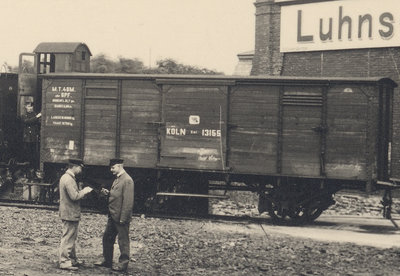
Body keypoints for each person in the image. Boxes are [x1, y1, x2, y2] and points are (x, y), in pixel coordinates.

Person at [95, 158, 134, 272]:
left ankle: (123, 265)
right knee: (107, 238)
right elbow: (118, 195)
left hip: (120, 217)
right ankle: (107, 261)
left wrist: (123, 218)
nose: (111, 170)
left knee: (123, 241)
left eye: (113, 167)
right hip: (113, 216)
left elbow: (128, 202)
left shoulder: (127, 180)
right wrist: (109, 193)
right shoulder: (118, 179)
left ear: (119, 166)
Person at [58, 158, 93, 271]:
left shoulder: (66, 177)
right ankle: (64, 261)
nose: (81, 170)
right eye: (80, 167)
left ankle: (71, 259)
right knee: (68, 237)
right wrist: (85, 191)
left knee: (71, 237)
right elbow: (74, 196)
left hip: (68, 212)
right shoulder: (69, 179)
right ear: (75, 167)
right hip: (70, 212)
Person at [21, 101, 41, 169]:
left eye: (31, 106)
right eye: (29, 106)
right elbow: (28, 121)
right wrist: (37, 117)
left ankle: (33, 168)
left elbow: (38, 124)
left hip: (34, 137)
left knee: (34, 153)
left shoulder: (34, 114)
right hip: (27, 138)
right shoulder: (24, 115)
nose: (30, 108)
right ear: (26, 107)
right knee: (27, 153)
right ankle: (27, 168)